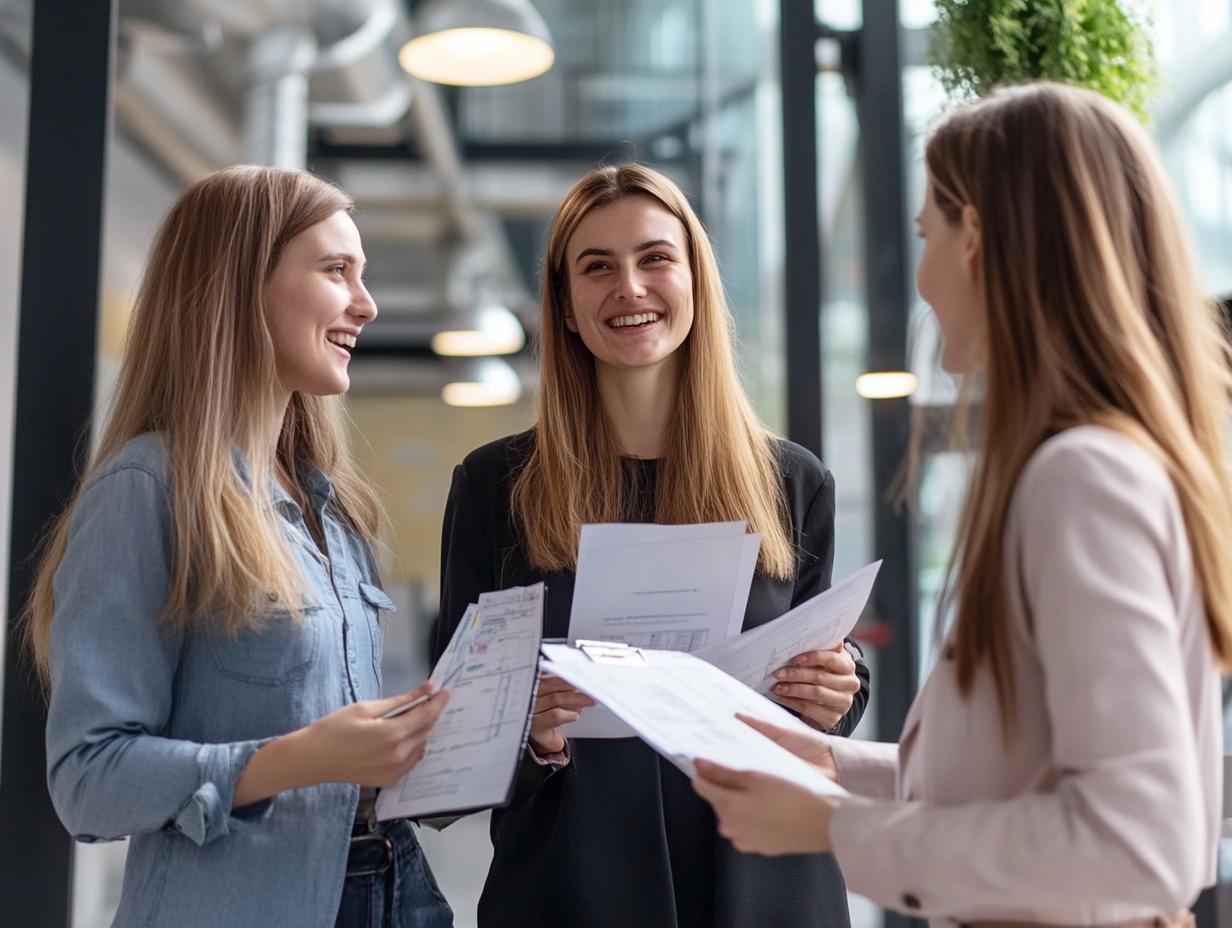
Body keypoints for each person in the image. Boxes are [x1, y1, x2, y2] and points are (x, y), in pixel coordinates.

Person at [692, 82, 1231, 928]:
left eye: (926, 235)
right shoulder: (1091, 464)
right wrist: (829, 765)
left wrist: (837, 827)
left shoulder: (1081, 478)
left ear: (975, 238)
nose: (921, 276)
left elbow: (1138, 844)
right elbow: (1015, 775)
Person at [437, 163, 870, 928]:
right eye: (597, 267)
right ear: (566, 307)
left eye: (655, 258)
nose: (630, 288)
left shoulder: (792, 481)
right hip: (575, 884)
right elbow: (456, 729)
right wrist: (526, 729)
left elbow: (819, 666)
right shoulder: (493, 488)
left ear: (695, 282)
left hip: (765, 883)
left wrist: (841, 685)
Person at [26, 166, 454, 928]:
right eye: (336, 271)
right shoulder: (147, 490)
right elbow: (86, 780)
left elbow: (346, 750)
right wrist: (304, 759)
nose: (367, 303)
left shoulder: (331, 505)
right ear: (240, 286)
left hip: (396, 890)